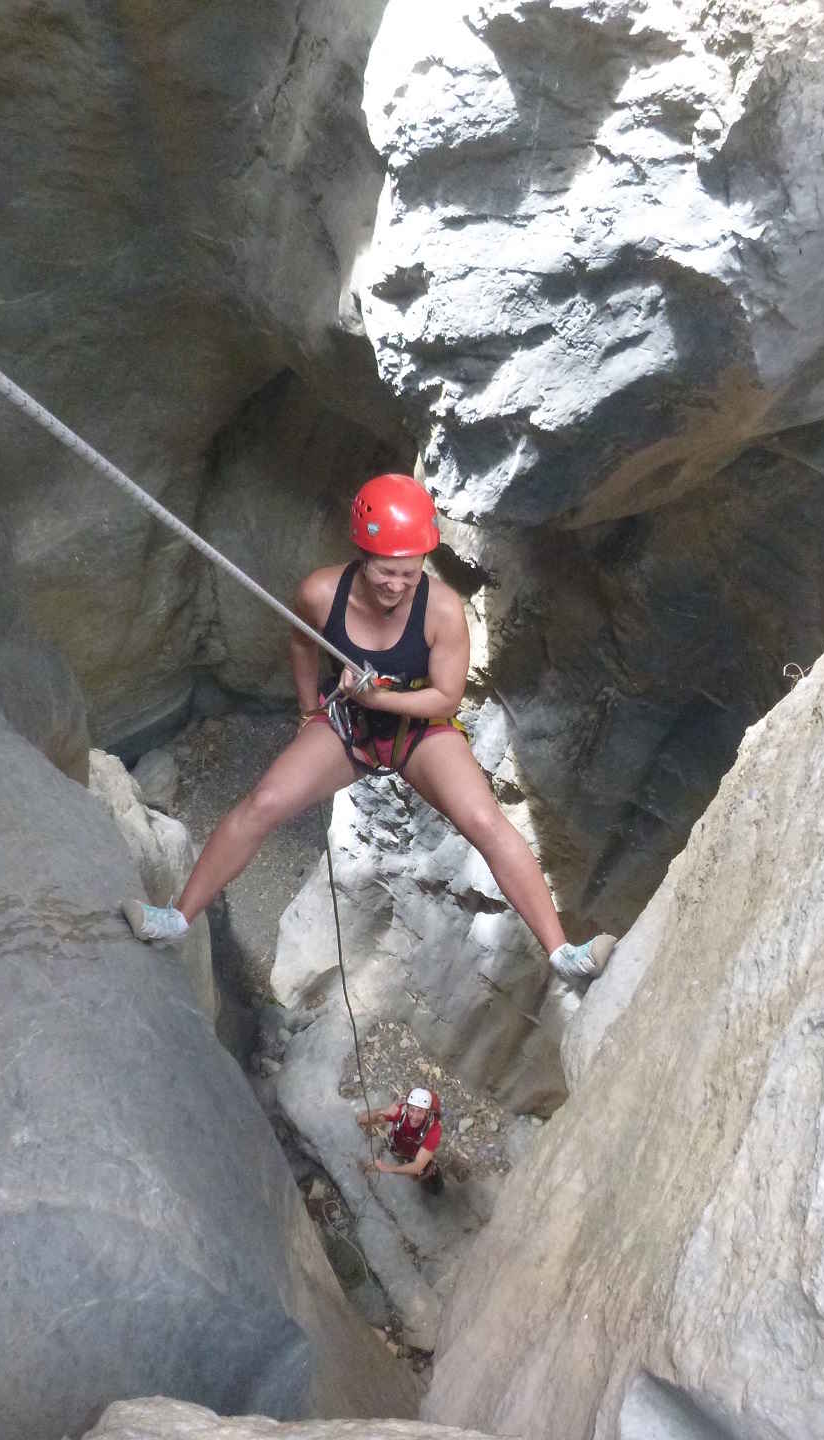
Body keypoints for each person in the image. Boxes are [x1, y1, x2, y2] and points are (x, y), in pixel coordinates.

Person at [122, 473, 615, 986]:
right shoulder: (320, 593)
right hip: (347, 725)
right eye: (386, 572)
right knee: (264, 803)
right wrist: (309, 711)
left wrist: (382, 697)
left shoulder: (441, 609)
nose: (397, 585)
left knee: (484, 822)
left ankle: (562, 954)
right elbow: (301, 643)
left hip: (419, 730)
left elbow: (446, 696)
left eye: (409, 572)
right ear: (362, 554)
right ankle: (175, 920)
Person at [357, 1087, 445, 1195]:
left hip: (417, 1155)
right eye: (412, 1110)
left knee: (431, 1180)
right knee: (412, 1173)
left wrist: (386, 1168)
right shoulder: (399, 1112)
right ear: (407, 1107)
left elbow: (418, 1165)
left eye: (420, 1111)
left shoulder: (434, 1129)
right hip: (401, 1150)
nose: (415, 1117)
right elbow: (361, 1119)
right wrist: (383, 1111)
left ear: (427, 1112)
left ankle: (436, 1189)